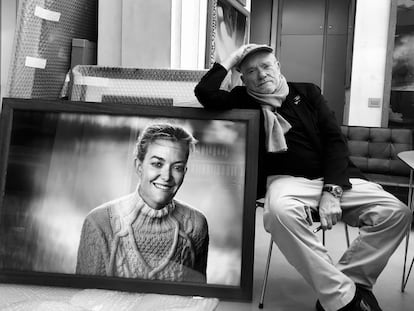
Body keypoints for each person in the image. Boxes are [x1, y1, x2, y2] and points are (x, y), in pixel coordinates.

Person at [194, 44, 412, 311]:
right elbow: (204, 92)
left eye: (266, 66)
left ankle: (347, 285)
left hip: (332, 177)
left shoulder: (307, 92)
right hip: (285, 182)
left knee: (396, 212)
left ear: (278, 67)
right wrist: (231, 59)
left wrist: (332, 191)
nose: (261, 75)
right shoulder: (241, 98)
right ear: (243, 78)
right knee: (279, 213)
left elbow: (334, 141)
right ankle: (345, 300)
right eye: (251, 70)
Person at [76, 123, 209, 283]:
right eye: (157, 164)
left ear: (184, 172)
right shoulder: (99, 223)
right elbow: (85, 299)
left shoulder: (195, 225)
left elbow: (196, 299)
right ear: (139, 167)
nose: (166, 176)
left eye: (177, 167)